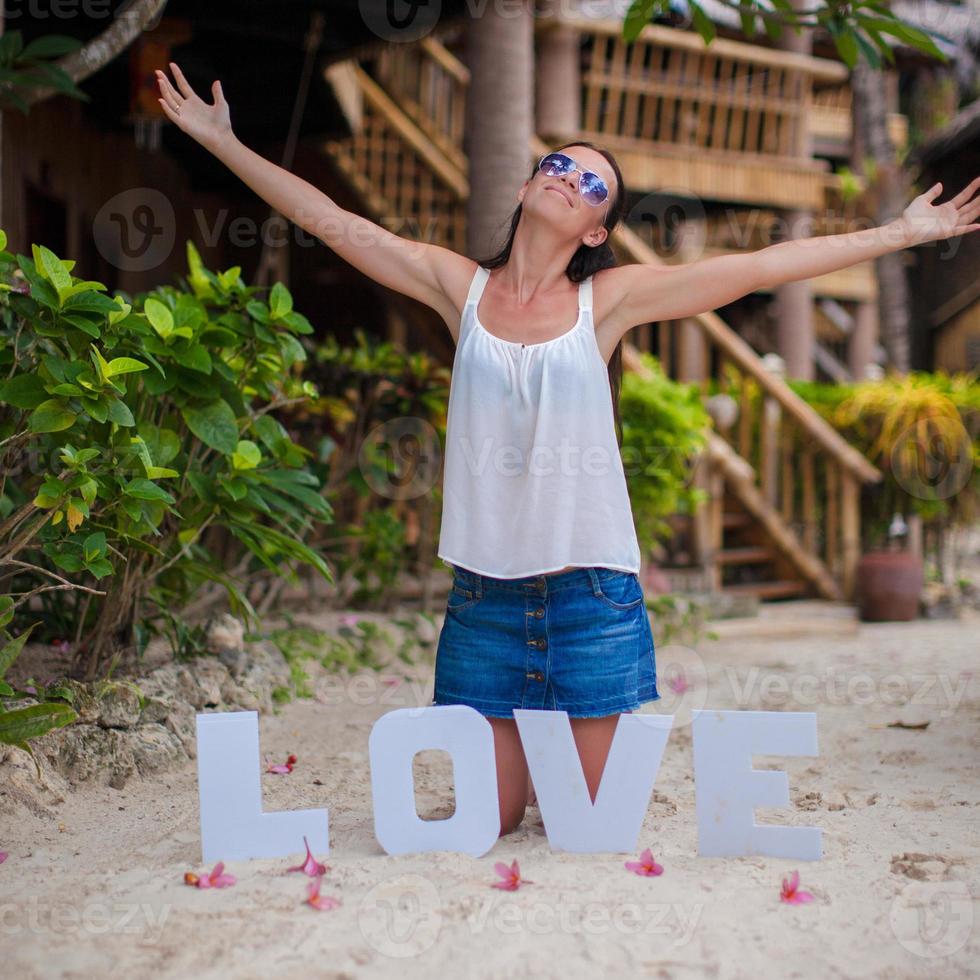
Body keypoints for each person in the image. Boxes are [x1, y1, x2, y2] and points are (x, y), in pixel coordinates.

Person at [155, 63, 980, 837]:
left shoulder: (608, 302)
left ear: (597, 230)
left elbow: (756, 264)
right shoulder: (459, 289)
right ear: (526, 184)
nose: (569, 180)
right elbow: (333, 223)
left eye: (593, 186)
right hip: (484, 604)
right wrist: (225, 144)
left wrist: (898, 234)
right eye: (560, 164)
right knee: (493, 822)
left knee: (582, 818)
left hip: (592, 600)